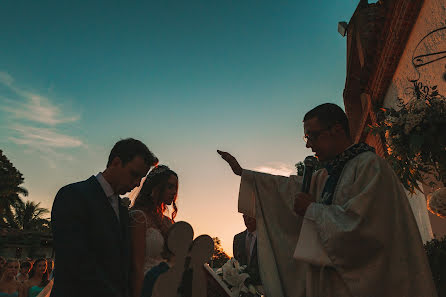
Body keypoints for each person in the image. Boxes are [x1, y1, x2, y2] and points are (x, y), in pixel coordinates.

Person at [218, 103, 437, 297]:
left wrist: (312, 210)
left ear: (337, 130)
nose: (308, 145)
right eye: (306, 137)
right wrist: (246, 175)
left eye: (312, 136)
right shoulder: (328, 175)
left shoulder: (370, 167)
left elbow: (365, 229)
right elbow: (287, 188)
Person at [50, 138, 158, 297]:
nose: (136, 183)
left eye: (141, 178)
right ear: (116, 162)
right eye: (134, 175)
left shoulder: (122, 209)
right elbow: (74, 260)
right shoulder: (73, 195)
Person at [129, 165, 179, 297]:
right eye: (170, 187)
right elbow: (136, 266)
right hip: (146, 285)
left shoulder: (169, 222)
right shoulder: (139, 217)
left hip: (167, 287)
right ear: (156, 188)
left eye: (176, 187)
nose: (174, 192)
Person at [233, 214, 261, 286]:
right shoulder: (237, 238)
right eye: (245, 216)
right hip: (242, 286)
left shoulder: (266, 237)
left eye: (250, 216)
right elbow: (236, 262)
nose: (247, 219)